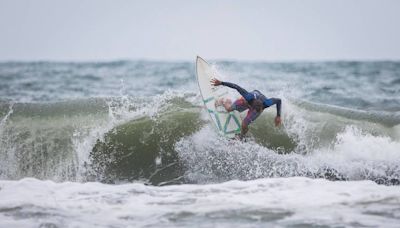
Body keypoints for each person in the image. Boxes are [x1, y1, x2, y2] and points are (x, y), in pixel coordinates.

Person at [211, 78, 282, 139]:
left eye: (260, 110)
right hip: (247, 101)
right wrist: (221, 83)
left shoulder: (267, 103)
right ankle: (223, 101)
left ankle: (241, 137)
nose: (257, 111)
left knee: (244, 124)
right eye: (256, 110)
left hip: (257, 102)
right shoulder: (248, 96)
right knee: (229, 109)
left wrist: (278, 115)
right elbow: (236, 86)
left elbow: (279, 100)